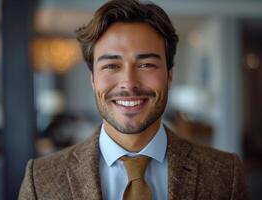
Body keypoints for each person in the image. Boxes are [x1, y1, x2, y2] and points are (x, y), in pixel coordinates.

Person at [19, 0, 249, 199]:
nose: (128, 83)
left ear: (169, 75)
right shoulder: (40, 179)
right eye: (111, 65)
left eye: (146, 65)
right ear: (93, 80)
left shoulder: (225, 174)